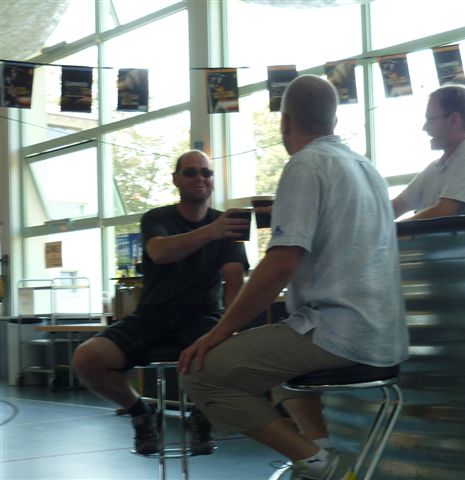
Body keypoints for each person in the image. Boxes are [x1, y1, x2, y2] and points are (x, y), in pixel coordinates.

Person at [178, 74, 409, 480]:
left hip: (340, 334)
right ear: (333, 120)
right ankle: (320, 450)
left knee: (201, 372)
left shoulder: (306, 164)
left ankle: (323, 466)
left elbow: (282, 263)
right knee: (273, 362)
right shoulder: (367, 169)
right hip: (387, 336)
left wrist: (220, 332)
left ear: (285, 122)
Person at [73, 150, 250, 455]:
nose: (199, 178)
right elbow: (160, 253)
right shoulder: (157, 218)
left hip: (202, 316)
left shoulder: (227, 224)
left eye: (206, 173)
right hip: (151, 316)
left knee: (235, 356)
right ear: (176, 179)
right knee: (86, 359)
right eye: (191, 172)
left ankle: (202, 414)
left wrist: (228, 329)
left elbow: (234, 281)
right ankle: (140, 412)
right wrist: (212, 231)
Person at [392, 84, 465, 220]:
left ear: (453, 120)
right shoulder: (436, 168)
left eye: (430, 120)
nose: (425, 127)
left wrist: (394, 231)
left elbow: (444, 212)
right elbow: (394, 207)